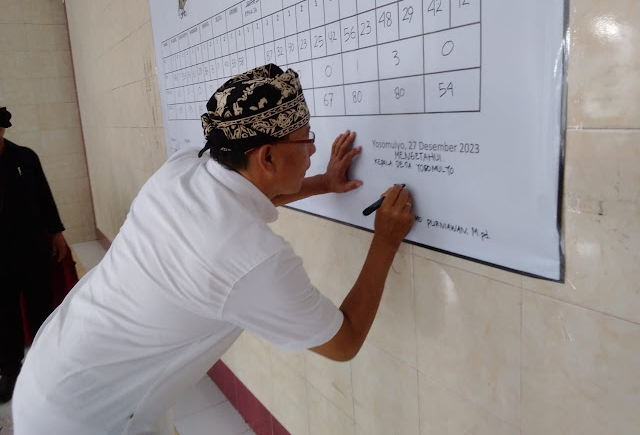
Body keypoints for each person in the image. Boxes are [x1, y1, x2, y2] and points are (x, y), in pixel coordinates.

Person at [13, 65, 414, 434]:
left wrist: (323, 183)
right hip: (86, 419)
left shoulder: (184, 167)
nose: (312, 151)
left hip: (53, 365)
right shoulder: (252, 259)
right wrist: (385, 239)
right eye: (306, 139)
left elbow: (249, 197)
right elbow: (344, 342)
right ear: (267, 155)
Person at [0, 107, 68, 404]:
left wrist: (57, 232)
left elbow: (44, 197)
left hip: (32, 249)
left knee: (43, 308)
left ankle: (48, 366)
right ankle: (10, 371)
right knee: (4, 315)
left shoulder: (25, 158)